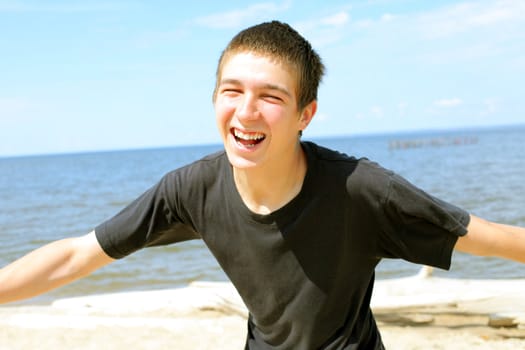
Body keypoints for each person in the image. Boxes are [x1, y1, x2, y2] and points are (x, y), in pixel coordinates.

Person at [0, 20, 524, 349]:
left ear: (305, 114)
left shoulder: (363, 190)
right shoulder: (191, 190)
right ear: (214, 101)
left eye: (270, 97)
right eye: (232, 90)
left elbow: (494, 239)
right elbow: (76, 256)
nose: (246, 111)